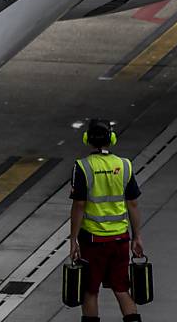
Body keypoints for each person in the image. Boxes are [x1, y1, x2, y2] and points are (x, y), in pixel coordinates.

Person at [69, 119, 144, 322]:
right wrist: (137, 237)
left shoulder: (83, 167)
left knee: (90, 290)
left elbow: (79, 205)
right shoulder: (124, 165)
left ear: (87, 139)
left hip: (93, 241)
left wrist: (73, 239)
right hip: (120, 239)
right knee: (121, 288)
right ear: (112, 138)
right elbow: (133, 205)